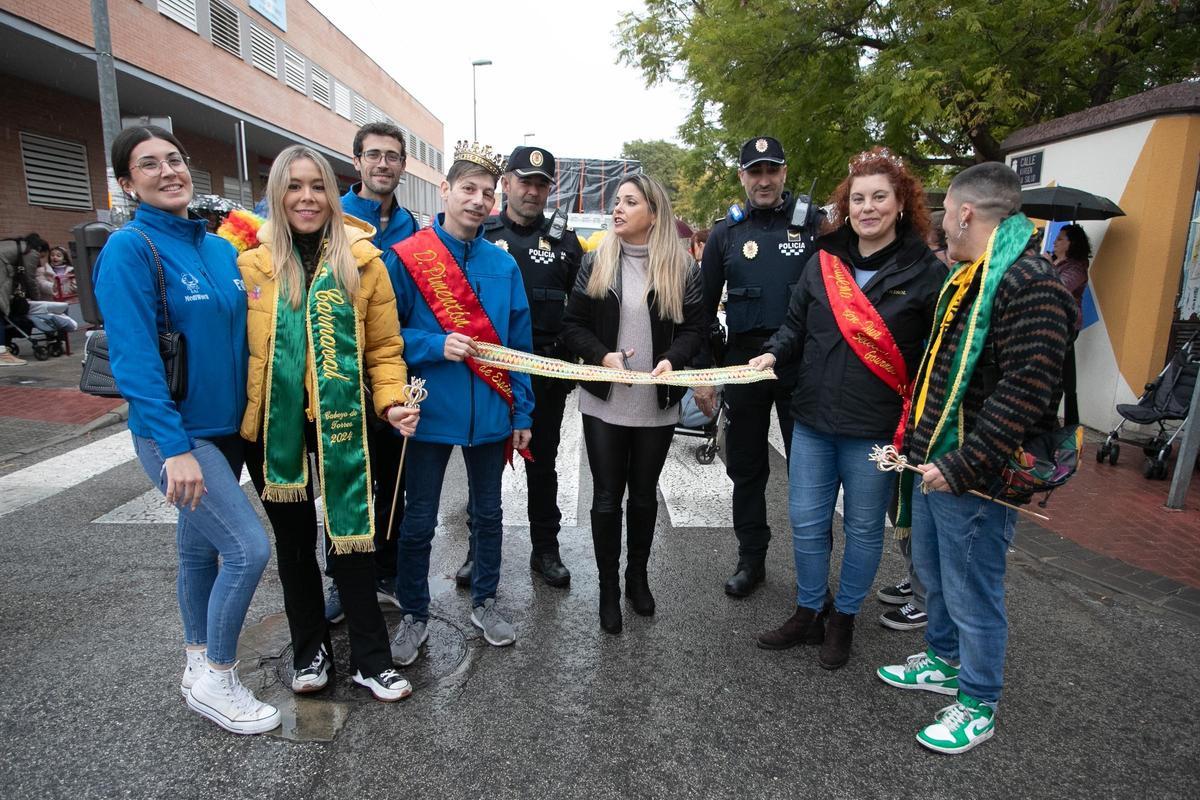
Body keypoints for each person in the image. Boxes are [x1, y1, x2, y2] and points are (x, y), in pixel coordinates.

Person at [876, 162, 1075, 754]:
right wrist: (916, 448)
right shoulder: (970, 277)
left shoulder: (1030, 281)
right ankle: (942, 659)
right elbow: (940, 373)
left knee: (972, 588)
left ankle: (978, 701)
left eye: (945, 215)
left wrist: (962, 465)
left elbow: (1026, 391)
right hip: (940, 462)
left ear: (965, 212)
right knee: (935, 574)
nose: (940, 227)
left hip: (978, 474)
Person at [92, 125, 279, 735]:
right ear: (127, 183)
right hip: (175, 432)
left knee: (198, 550)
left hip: (227, 430)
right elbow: (135, 359)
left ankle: (197, 661)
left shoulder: (220, 249)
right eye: (150, 165)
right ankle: (220, 679)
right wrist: (174, 449)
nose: (169, 171)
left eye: (175, 159)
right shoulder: (130, 249)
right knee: (247, 548)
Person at [750, 147, 945, 668]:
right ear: (846, 207)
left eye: (880, 196)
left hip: (876, 427)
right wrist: (772, 350)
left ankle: (845, 618)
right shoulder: (824, 262)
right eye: (858, 198)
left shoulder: (926, 273)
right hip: (812, 418)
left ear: (901, 203)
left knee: (862, 528)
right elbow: (794, 326)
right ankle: (810, 610)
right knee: (807, 522)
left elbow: (934, 356)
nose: (868, 208)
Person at [237, 144, 419, 703]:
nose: (307, 197)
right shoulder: (248, 260)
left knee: (352, 539)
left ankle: (370, 658)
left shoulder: (365, 260)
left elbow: (386, 347)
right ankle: (309, 650)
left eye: (317, 186)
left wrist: (391, 402)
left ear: (332, 194)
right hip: (275, 422)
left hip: (345, 416)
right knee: (293, 544)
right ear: (276, 194)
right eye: (294, 186)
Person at [385, 141, 534, 664]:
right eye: (467, 189)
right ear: (444, 190)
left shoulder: (503, 265)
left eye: (486, 193)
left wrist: (523, 413)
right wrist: (433, 345)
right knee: (418, 518)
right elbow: (383, 337)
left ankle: (486, 600)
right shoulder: (407, 258)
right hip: (427, 412)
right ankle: (414, 612)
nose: (477, 200)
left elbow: (519, 347)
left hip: (491, 413)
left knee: (489, 515)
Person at [560, 173, 707, 634]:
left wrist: (672, 360)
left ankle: (636, 577)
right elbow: (572, 325)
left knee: (643, 498)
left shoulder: (682, 268)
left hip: (656, 402)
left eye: (629, 202)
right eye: (616, 202)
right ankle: (607, 588)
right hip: (605, 401)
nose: (617, 210)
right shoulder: (596, 261)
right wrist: (602, 355)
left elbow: (694, 330)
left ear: (653, 212)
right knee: (607, 498)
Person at [692, 136, 817, 598]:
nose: (763, 180)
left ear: (784, 173)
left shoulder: (812, 227)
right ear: (742, 176)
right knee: (746, 469)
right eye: (754, 172)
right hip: (744, 367)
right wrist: (706, 376)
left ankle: (812, 571)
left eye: (771, 170)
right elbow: (701, 310)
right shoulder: (726, 233)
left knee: (808, 473)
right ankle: (751, 559)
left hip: (800, 368)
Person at [464, 144, 585, 589]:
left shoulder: (564, 241)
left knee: (543, 462)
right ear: (507, 184)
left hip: (545, 373)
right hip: (489, 372)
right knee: (484, 465)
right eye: (524, 181)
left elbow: (582, 311)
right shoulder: (480, 233)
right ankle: (478, 551)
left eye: (541, 184)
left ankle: (545, 549)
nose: (532, 191)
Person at [324, 121, 421, 622]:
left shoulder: (414, 232)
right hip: (334, 373)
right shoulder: (329, 217)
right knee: (343, 481)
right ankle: (340, 578)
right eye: (374, 155)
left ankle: (386, 570)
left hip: (392, 371)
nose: (383, 164)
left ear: (403, 165)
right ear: (357, 160)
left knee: (392, 479)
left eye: (393, 156)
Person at [1052, 223, 1091, 426]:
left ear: (1071, 243)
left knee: (1063, 376)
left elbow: (1060, 287)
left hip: (1066, 325)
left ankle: (1066, 422)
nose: (1055, 242)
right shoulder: (1054, 261)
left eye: (1060, 239)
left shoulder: (1076, 267)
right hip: (1050, 322)